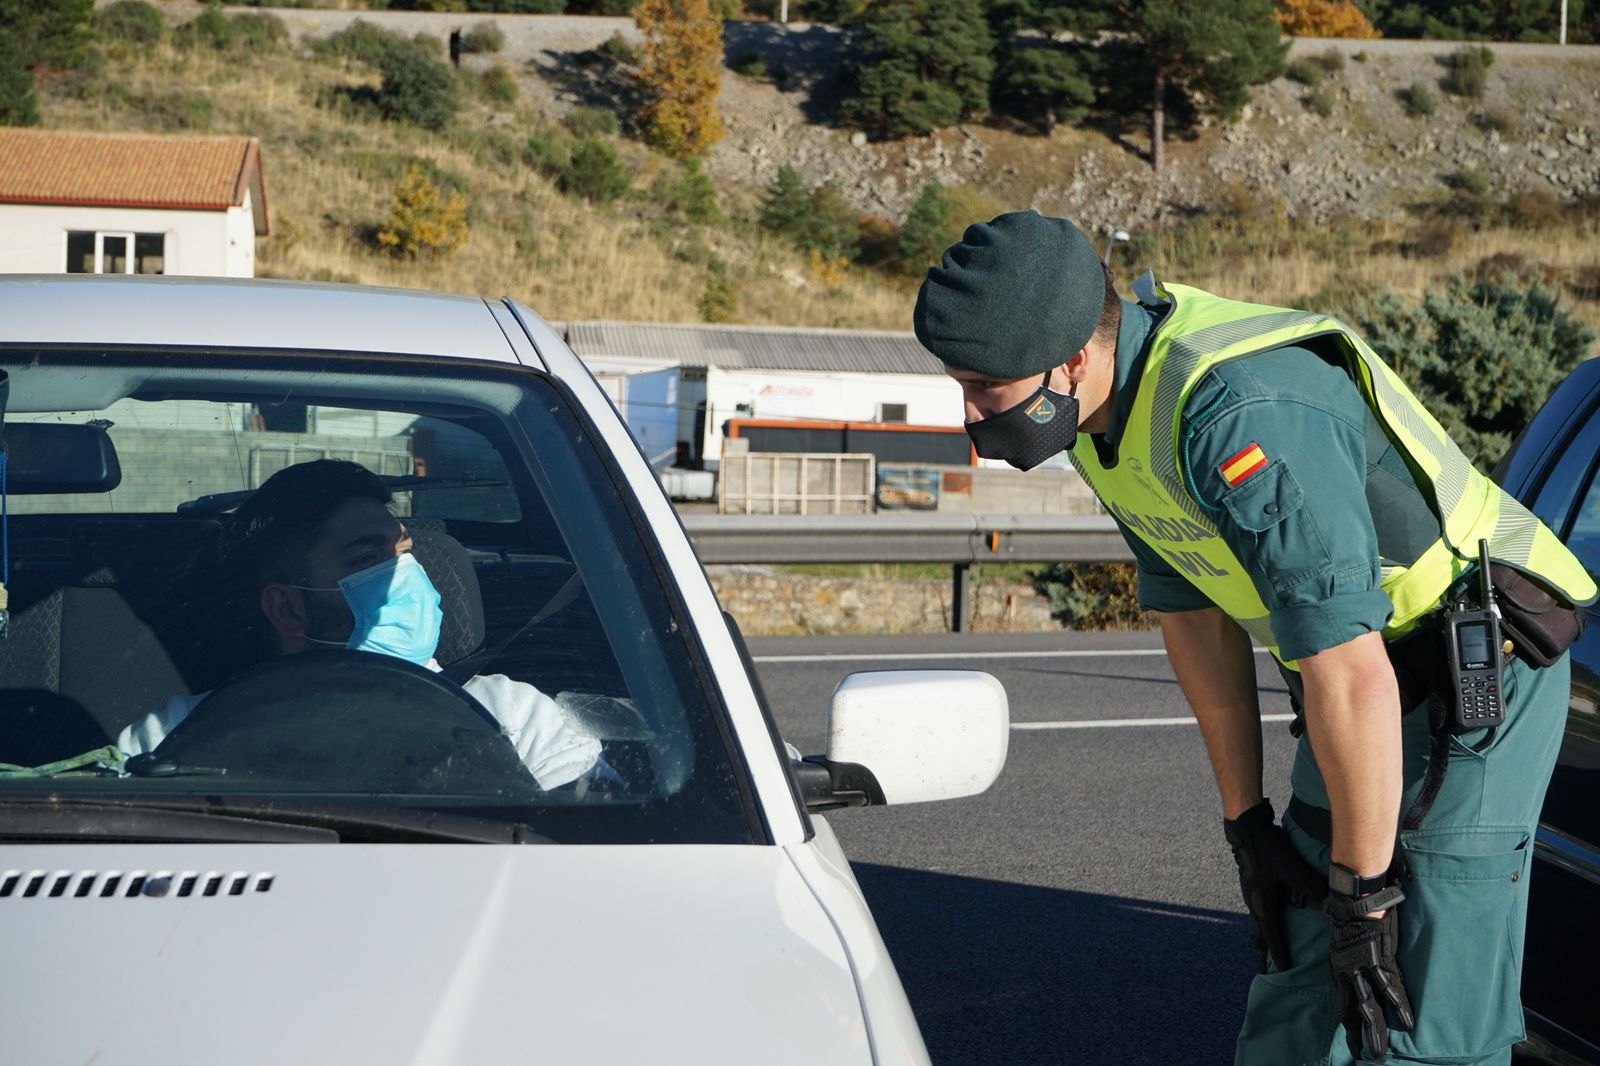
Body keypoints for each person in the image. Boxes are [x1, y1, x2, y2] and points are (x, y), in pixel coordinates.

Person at [913, 211, 1596, 1066]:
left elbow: (1350, 673)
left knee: (1422, 979)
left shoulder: (1239, 414)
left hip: (1473, 661)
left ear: (1071, 360)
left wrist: (1369, 894)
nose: (969, 414)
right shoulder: (1099, 422)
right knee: (1301, 941)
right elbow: (1193, 618)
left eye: (983, 387)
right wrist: (1248, 823)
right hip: (1360, 675)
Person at [117, 459, 610, 792]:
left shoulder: (513, 713)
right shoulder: (182, 733)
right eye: (367, 558)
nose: (405, 575)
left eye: (403, 552)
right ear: (289, 609)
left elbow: (586, 828)